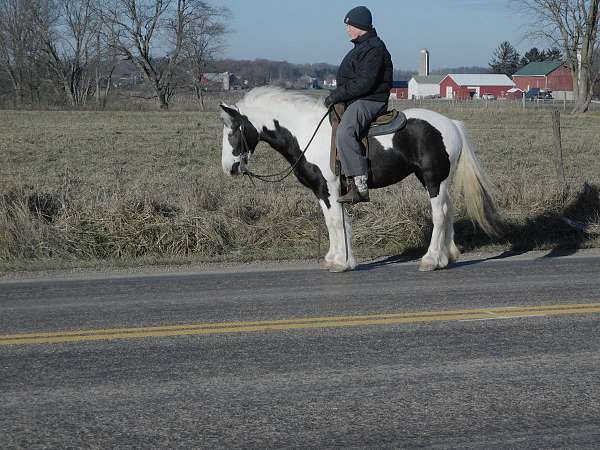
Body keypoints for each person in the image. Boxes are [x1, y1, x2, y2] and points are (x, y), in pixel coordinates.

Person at [325, 6, 393, 204]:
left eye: (349, 25)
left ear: (360, 26)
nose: (347, 29)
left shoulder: (375, 49)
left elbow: (365, 83)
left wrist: (337, 95)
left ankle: (360, 185)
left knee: (345, 132)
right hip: (358, 98)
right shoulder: (362, 46)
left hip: (371, 99)